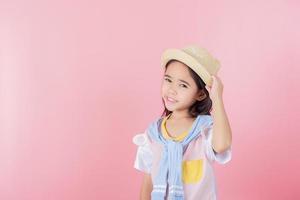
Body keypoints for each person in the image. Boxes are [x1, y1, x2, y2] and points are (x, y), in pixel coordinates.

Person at [133, 45, 232, 200]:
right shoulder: (153, 134)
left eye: (183, 85)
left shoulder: (203, 130)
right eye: (168, 80)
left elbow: (222, 144)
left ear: (200, 94)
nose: (172, 90)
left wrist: (217, 98)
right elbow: (148, 183)